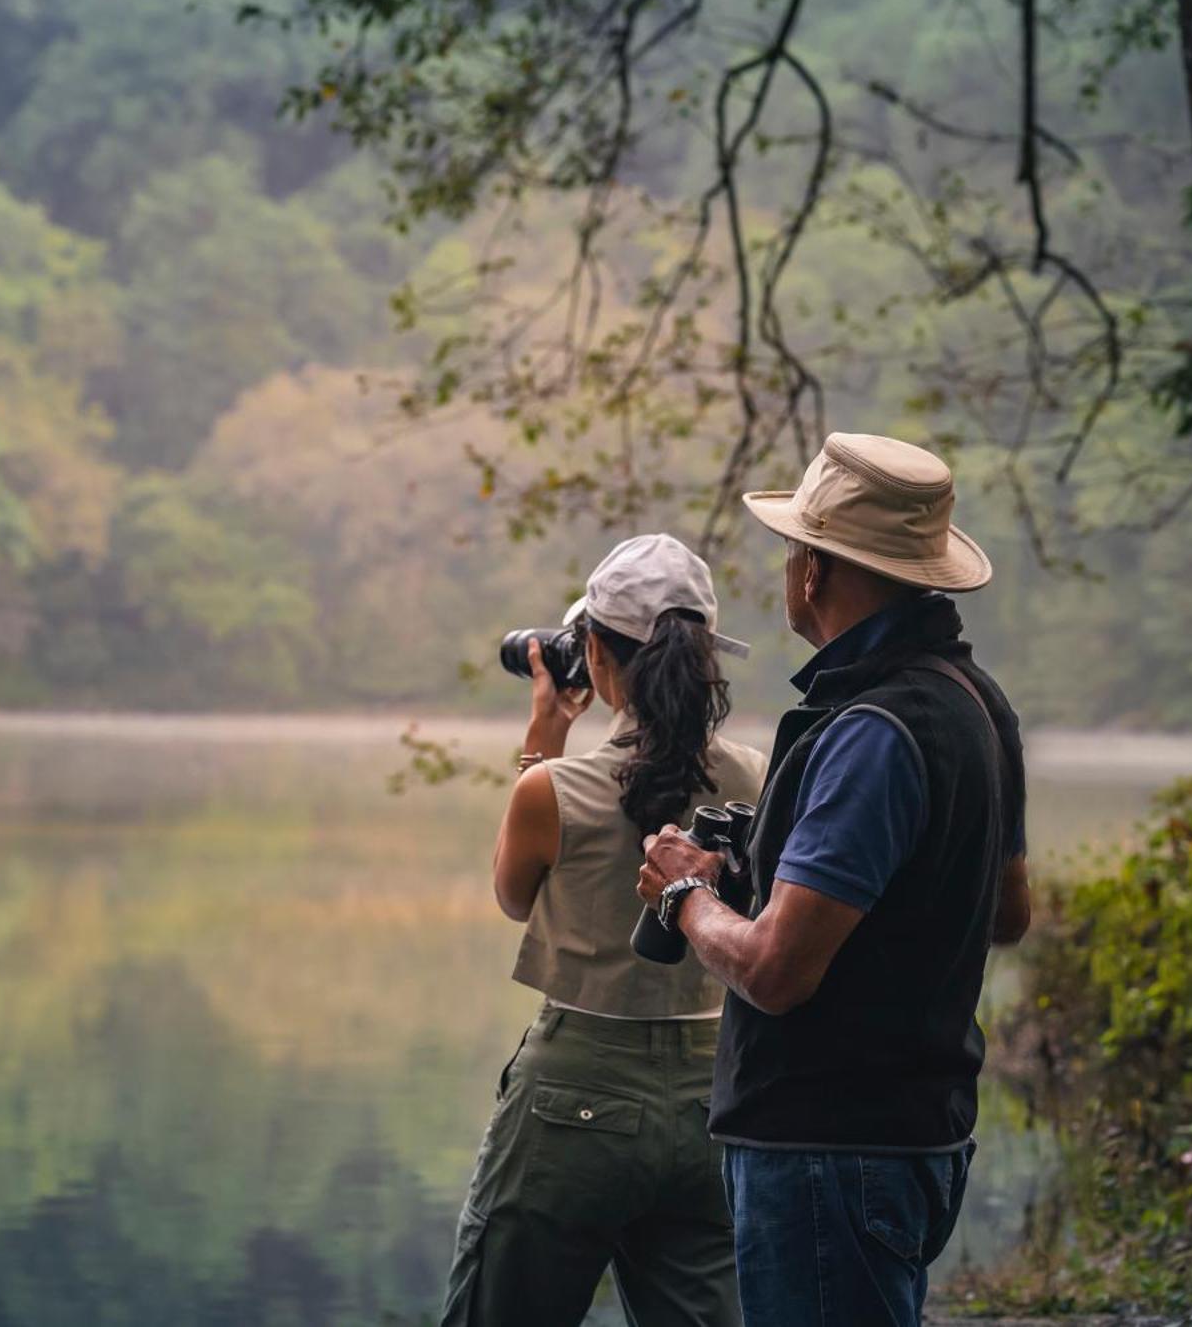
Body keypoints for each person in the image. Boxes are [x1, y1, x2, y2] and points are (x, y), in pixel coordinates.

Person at [636, 433, 1032, 1327]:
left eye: (791, 549)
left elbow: (778, 971)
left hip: (826, 1148)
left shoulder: (869, 730)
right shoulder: (978, 703)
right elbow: (1005, 912)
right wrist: (796, 876)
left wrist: (687, 896)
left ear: (813, 571)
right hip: (919, 1132)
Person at [442, 533, 769, 1327]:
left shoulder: (552, 790)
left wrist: (544, 735)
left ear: (593, 650)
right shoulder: (757, 775)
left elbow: (512, 894)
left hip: (572, 1098)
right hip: (711, 1096)